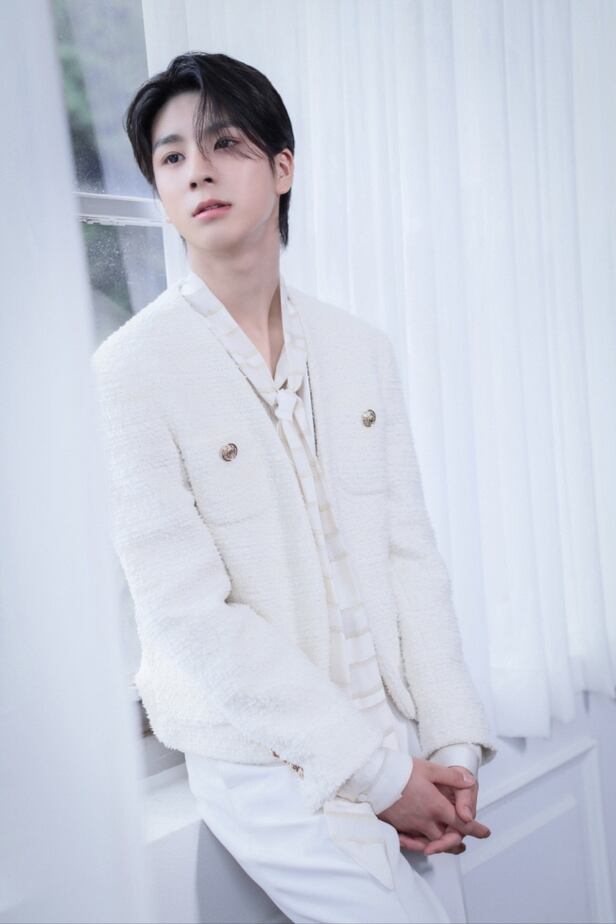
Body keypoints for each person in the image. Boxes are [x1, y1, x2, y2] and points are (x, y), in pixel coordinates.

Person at [91, 51, 498, 924]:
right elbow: (189, 615)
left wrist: (452, 742)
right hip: (264, 760)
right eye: (171, 156)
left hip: (394, 728)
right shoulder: (129, 372)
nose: (196, 170)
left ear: (282, 168)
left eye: (224, 143)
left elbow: (409, 554)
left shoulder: (359, 349)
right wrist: (379, 776)